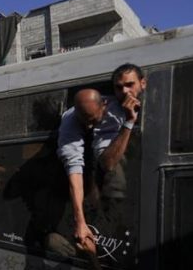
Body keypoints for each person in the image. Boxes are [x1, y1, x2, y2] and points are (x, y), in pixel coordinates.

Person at [57, 63, 146, 245]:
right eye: (119, 87)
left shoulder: (113, 108)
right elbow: (96, 166)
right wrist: (80, 221)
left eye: (130, 84)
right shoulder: (71, 120)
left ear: (143, 83)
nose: (125, 91)